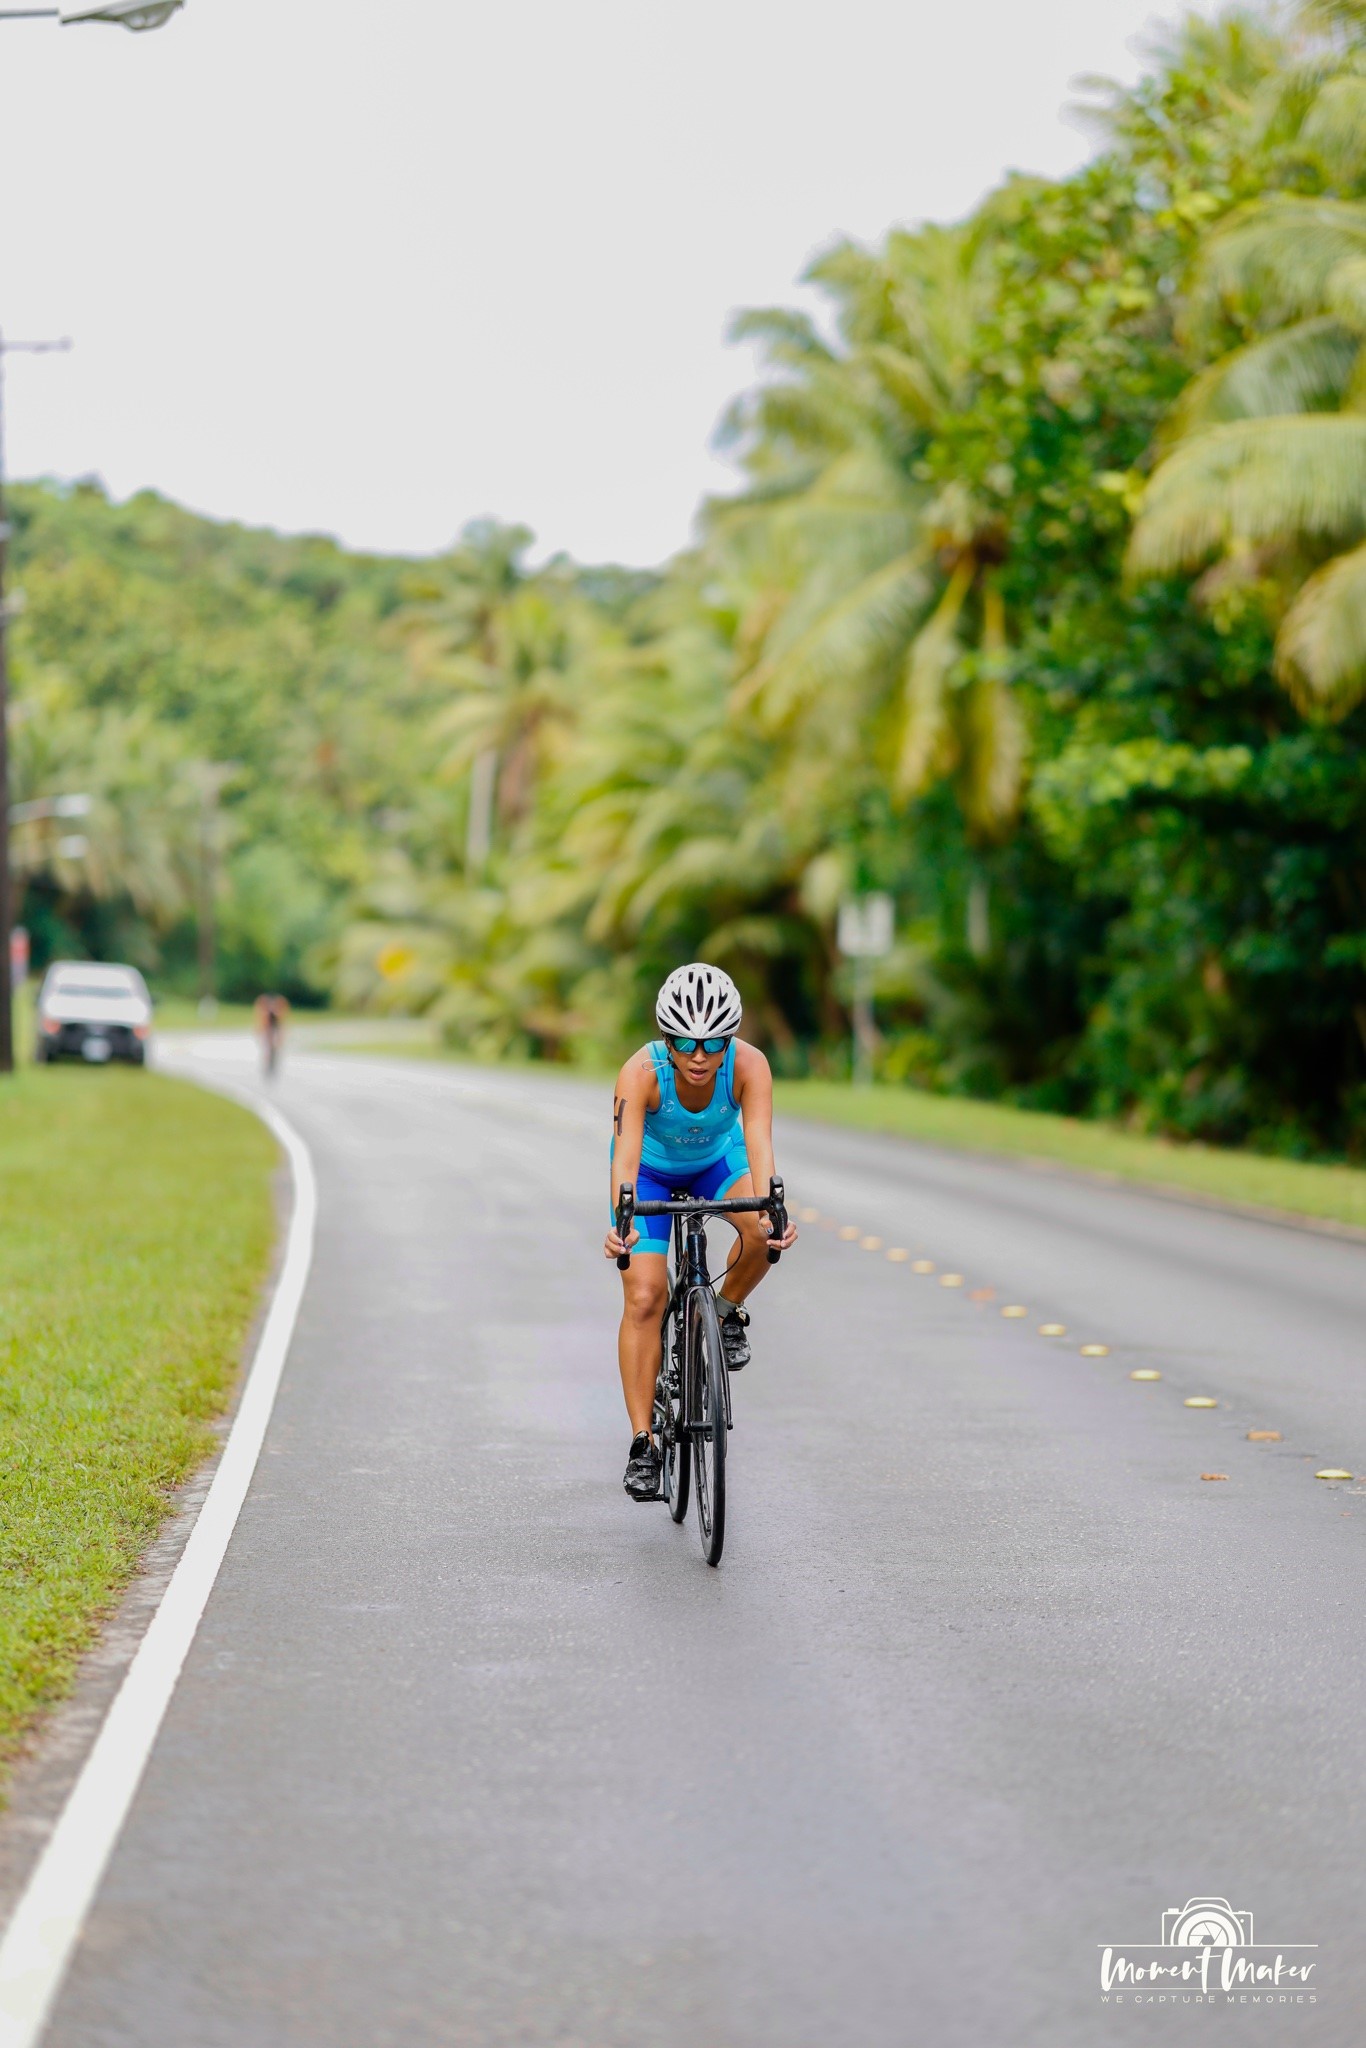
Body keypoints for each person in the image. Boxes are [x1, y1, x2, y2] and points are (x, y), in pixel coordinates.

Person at [604, 962, 798, 1501]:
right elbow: (624, 1159)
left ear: (729, 1038)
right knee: (644, 1295)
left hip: (718, 1162)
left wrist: (770, 1211)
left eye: (713, 1042)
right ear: (667, 1036)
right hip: (649, 1172)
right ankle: (643, 1443)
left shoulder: (750, 1066)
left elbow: (758, 1139)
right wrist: (621, 1225)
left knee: (760, 1232)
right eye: (685, 1041)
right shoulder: (641, 1072)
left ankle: (724, 1310)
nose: (698, 1056)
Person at [254, 992, 290, 1077]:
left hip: (274, 1030)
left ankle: (272, 1064)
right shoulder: (266, 1012)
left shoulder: (278, 1012)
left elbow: (281, 1025)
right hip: (268, 1030)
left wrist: (280, 1037)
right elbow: (263, 1024)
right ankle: (267, 1064)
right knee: (268, 1048)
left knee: (274, 1049)